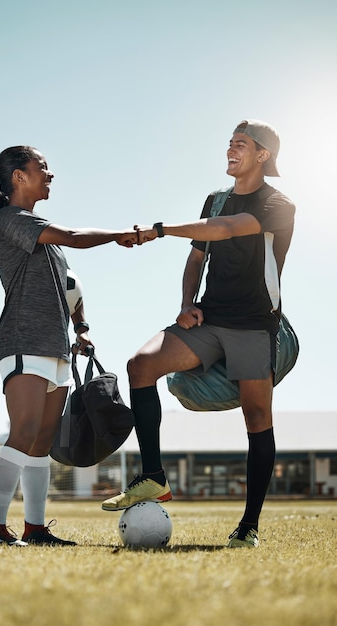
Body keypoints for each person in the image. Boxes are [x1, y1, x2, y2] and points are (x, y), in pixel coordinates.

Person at [102, 120, 295, 549]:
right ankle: (153, 476)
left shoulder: (278, 203)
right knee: (141, 365)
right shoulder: (217, 198)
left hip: (253, 324)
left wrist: (160, 228)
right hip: (208, 320)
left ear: (262, 155)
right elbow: (196, 261)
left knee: (257, 420)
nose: (231, 149)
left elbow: (224, 230)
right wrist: (188, 303)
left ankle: (249, 526)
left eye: (241, 144)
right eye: (229, 143)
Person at [0, 145, 140, 546]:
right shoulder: (8, 220)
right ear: (18, 176)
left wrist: (81, 327)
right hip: (23, 339)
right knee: (24, 432)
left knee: (41, 443)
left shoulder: (42, 234)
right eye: (43, 168)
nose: (50, 175)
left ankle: (35, 529)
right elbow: (74, 236)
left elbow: (70, 285)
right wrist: (119, 235)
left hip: (56, 346)